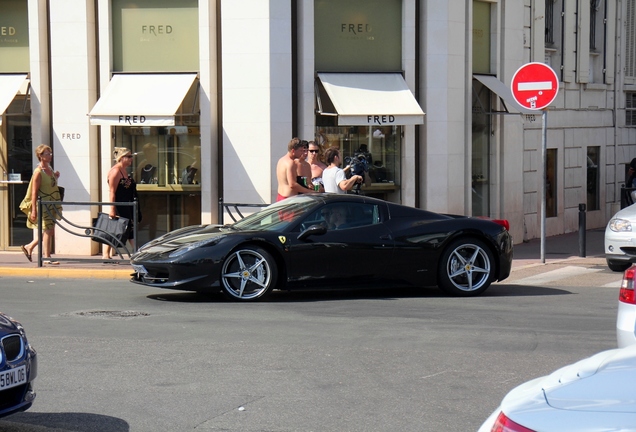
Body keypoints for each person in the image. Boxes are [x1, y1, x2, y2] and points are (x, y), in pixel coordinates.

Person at [20, 144, 62, 265]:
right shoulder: (38, 172)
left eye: (50, 153)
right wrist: (34, 210)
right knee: (48, 230)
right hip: (44, 204)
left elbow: (49, 185)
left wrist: (56, 177)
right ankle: (47, 256)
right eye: (47, 154)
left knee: (50, 230)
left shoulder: (49, 169)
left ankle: (29, 246)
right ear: (40, 156)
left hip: (51, 202)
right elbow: (34, 192)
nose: (50, 156)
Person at [102, 147, 138, 261]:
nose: (131, 159)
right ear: (122, 158)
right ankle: (136, 251)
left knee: (122, 228)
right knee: (121, 228)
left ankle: (107, 254)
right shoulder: (115, 171)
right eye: (129, 157)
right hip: (119, 205)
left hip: (126, 204)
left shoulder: (124, 170)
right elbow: (112, 191)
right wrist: (112, 209)